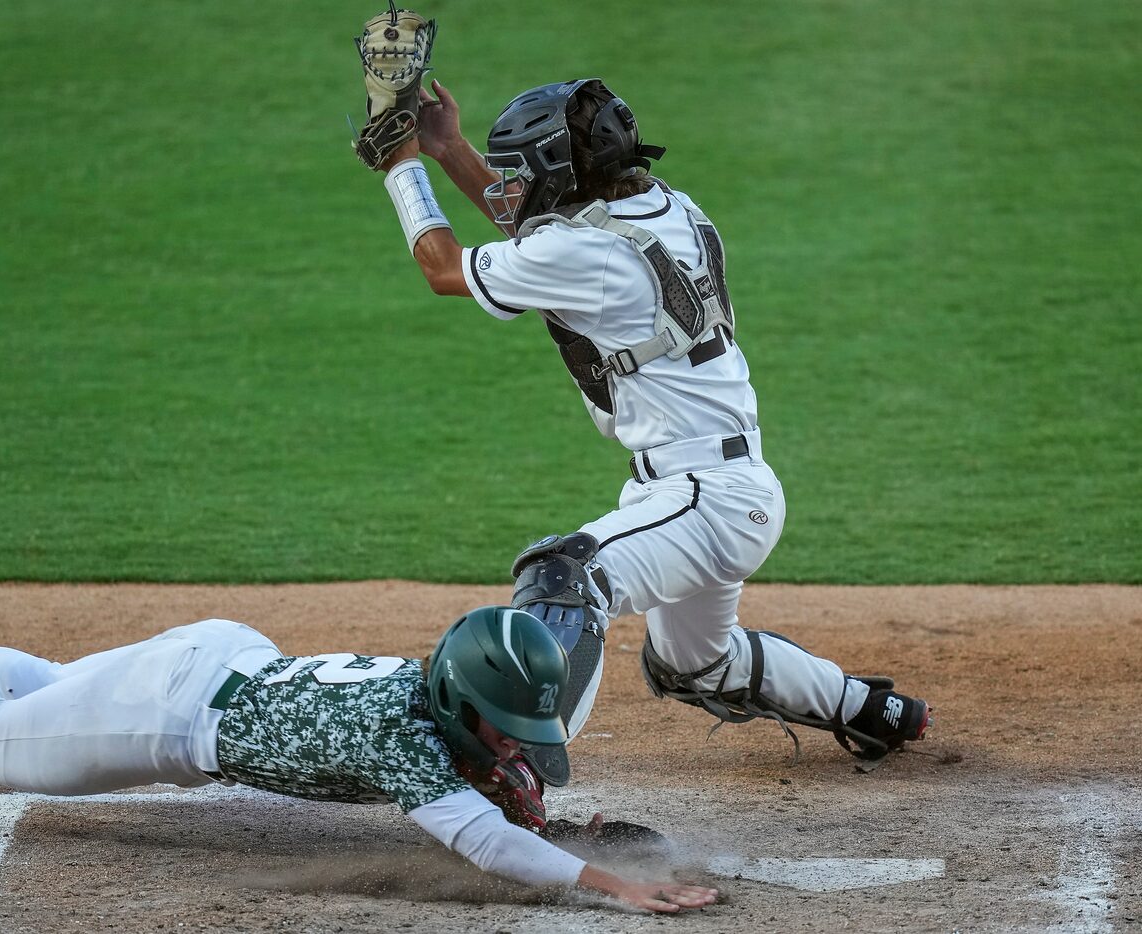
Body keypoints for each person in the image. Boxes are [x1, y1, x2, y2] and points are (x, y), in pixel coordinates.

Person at [0, 466, 717, 915]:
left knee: (36, 691)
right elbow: (491, 849)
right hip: (166, 715)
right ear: (456, 700)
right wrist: (611, 883)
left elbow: (492, 789)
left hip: (215, 656)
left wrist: (547, 811)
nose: (511, 741)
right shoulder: (398, 741)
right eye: (500, 724)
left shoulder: (433, 680)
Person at [368, 77, 930, 786]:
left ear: (558, 171)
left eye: (521, 170)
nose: (511, 185)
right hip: (712, 492)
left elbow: (445, 268)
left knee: (565, 577)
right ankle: (875, 712)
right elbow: (538, 234)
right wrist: (449, 147)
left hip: (705, 500)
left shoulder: (584, 254)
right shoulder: (663, 209)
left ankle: (517, 774)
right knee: (697, 663)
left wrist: (403, 166)